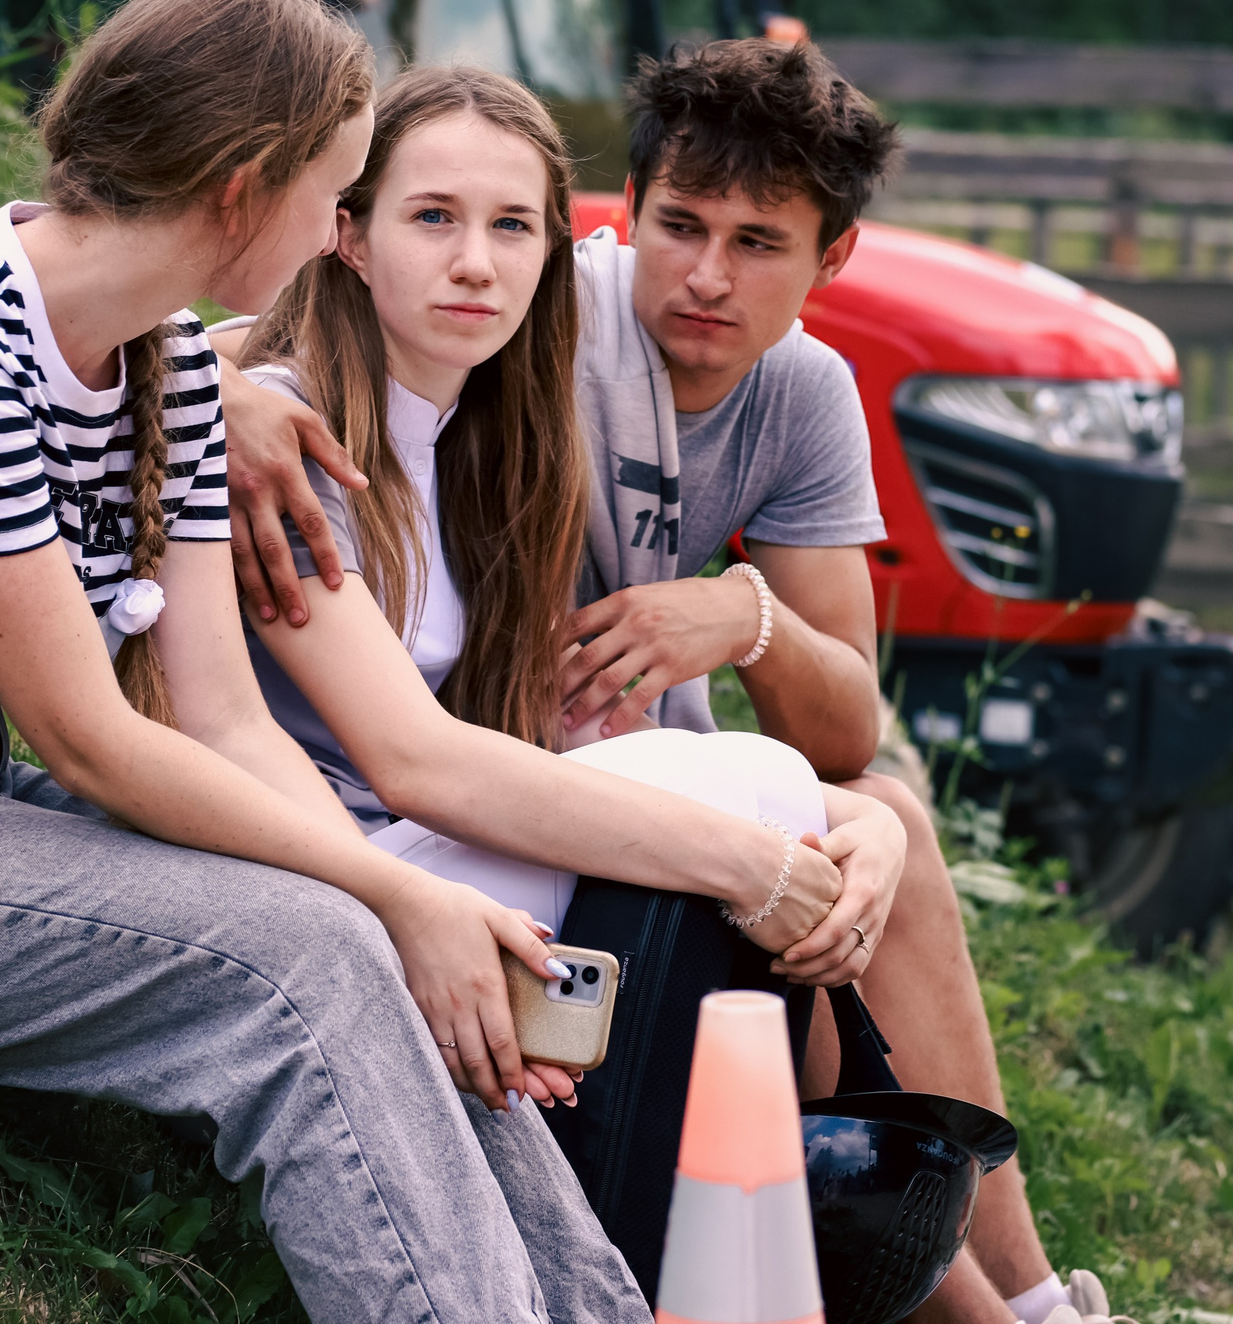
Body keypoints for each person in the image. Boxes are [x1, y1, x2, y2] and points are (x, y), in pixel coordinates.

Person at [0, 0, 651, 1324]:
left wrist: (404, 905)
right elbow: (91, 740)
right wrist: (392, 898)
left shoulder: (167, 361)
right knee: (309, 959)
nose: (334, 232)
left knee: (359, 925)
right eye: (332, 195)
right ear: (243, 190)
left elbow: (222, 718)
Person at [225, 36, 1110, 1324]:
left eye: (758, 243)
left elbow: (848, 721)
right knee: (786, 818)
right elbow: (247, 314)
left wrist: (745, 616)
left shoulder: (671, 391)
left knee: (859, 826)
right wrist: (212, 387)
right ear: (622, 217)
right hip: (416, 816)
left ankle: (1022, 1305)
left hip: (527, 782)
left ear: (832, 258)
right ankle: (986, 1314)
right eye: (680, 226)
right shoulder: (519, 322)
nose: (704, 275)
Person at [202, 64, 904, 1094]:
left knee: (784, 801)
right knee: (747, 789)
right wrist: (755, 858)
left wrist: (868, 819)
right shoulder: (295, 439)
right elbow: (417, 763)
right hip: (323, 876)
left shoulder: (487, 448)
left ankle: (828, 1172)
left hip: (415, 851)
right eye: (433, 217)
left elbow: (533, 735)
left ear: (553, 257)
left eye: (512, 228)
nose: (474, 264)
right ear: (348, 234)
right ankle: (767, 1161)